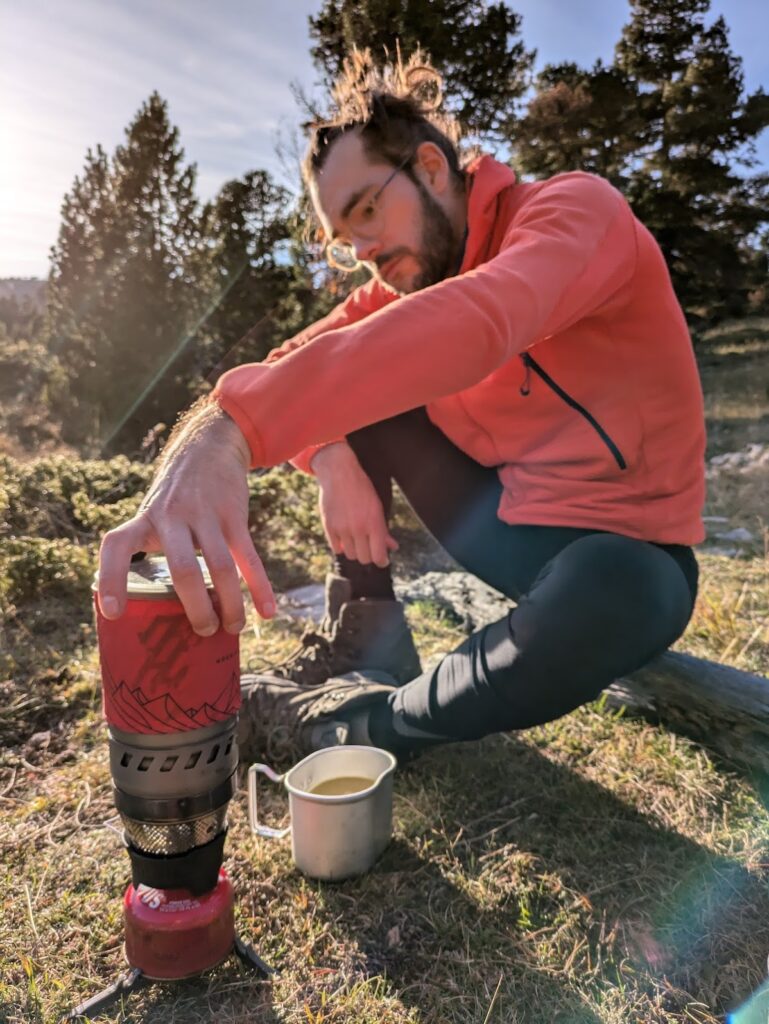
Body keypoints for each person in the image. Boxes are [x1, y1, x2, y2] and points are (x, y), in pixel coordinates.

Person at [97, 50, 705, 766]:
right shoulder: (397, 289)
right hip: (509, 531)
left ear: (430, 167)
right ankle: (372, 636)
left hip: (630, 549)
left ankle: (357, 727)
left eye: (365, 210)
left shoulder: (573, 211)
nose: (360, 250)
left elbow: (481, 319)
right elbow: (290, 363)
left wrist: (244, 430)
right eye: (342, 237)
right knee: (357, 394)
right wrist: (325, 452)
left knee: (621, 586)